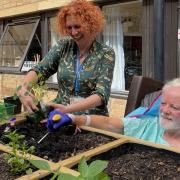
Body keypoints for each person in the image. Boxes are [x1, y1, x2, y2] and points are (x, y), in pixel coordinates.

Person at [18, 0, 115, 115]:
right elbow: (40, 70)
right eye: (69, 27)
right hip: (60, 113)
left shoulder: (105, 53)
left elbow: (101, 95)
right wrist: (23, 89)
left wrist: (68, 110)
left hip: (90, 118)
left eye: (77, 26)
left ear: (91, 24)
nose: (73, 32)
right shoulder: (63, 46)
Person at [47, 78, 180, 148]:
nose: (165, 111)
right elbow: (110, 123)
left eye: (174, 107)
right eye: (163, 104)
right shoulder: (150, 125)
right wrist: (72, 118)